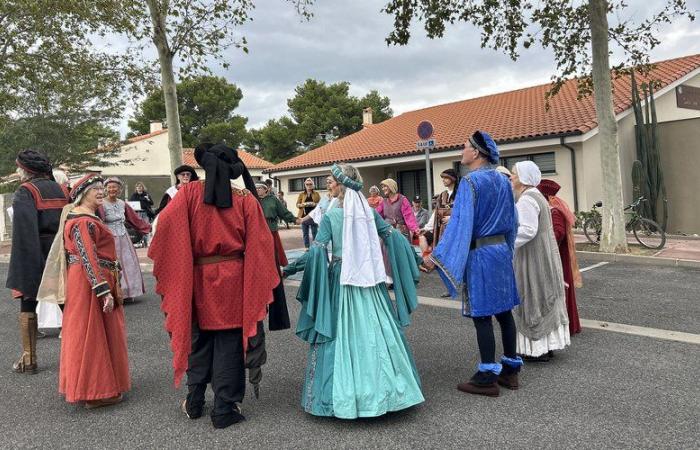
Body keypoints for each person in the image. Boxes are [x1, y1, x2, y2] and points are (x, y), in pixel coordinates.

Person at [148, 143, 279, 429]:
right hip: (233, 278)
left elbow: (162, 228)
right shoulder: (244, 198)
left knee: (200, 339)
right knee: (230, 342)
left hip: (197, 277)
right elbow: (261, 245)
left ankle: (194, 402)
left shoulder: (187, 194)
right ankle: (225, 407)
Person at [283, 163, 424, 418]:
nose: (329, 185)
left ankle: (343, 398)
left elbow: (316, 252)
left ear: (341, 184)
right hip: (370, 285)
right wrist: (416, 260)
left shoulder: (333, 217)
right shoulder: (370, 214)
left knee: (340, 336)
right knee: (377, 333)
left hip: (341, 282)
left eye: (332, 181)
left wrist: (288, 270)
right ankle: (388, 393)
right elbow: (395, 238)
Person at [423, 131, 522, 397]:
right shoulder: (503, 179)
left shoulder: (470, 183)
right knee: (504, 311)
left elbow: (459, 225)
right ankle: (511, 370)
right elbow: (513, 221)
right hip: (501, 251)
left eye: (464, 147)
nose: (461, 152)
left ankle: (487, 376)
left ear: (477, 152)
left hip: (480, 254)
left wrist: (436, 257)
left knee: (482, 314)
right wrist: (507, 249)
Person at [58, 173, 131, 408]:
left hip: (92, 279)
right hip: (89, 283)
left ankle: (96, 386)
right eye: (95, 189)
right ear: (82, 195)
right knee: (91, 334)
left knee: (97, 333)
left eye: (102, 188)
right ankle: (96, 392)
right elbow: (87, 256)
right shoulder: (81, 220)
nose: (101, 192)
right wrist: (103, 290)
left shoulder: (88, 217)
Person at [6, 150, 68, 373]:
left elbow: (24, 232)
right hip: (61, 252)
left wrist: (26, 269)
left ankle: (29, 359)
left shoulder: (26, 191)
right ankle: (75, 357)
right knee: (66, 304)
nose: (17, 172)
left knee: (28, 301)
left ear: (26, 170)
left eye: (18, 168)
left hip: (36, 252)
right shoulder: (60, 189)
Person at [510, 161, 570, 361]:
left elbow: (527, 230)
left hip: (532, 255)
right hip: (541, 252)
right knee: (543, 292)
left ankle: (537, 348)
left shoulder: (527, 199)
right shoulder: (536, 196)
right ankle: (547, 346)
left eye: (514, 175)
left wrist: (507, 244)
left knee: (533, 294)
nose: (511, 178)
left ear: (524, 178)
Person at [538, 179, 582, 336]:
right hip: (556, 254)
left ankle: (566, 324)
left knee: (561, 289)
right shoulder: (551, 209)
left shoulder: (554, 211)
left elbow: (558, 233)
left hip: (559, 257)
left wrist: (543, 241)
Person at [99, 177, 151, 302]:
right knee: (113, 265)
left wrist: (149, 228)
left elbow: (135, 219)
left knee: (128, 264)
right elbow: (98, 222)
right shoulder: (101, 205)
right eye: (110, 187)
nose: (112, 189)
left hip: (124, 238)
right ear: (105, 189)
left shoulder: (123, 204)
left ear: (119, 190)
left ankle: (128, 292)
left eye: (115, 187)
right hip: (109, 239)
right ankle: (114, 292)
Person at [418, 169, 460, 260]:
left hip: (455, 229)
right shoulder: (442, 195)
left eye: (446, 178)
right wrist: (426, 228)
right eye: (442, 178)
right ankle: (427, 261)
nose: (443, 180)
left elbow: (465, 211)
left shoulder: (461, 194)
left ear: (453, 179)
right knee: (423, 237)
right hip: (440, 229)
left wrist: (451, 218)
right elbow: (435, 214)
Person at [296, 177, 321, 248]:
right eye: (307, 184)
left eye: (310, 184)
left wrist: (314, 204)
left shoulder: (316, 194)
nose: (309, 185)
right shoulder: (301, 194)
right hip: (304, 216)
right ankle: (306, 247)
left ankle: (315, 247)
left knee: (314, 233)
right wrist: (302, 205)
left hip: (313, 216)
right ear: (305, 185)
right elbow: (297, 204)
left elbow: (320, 204)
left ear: (313, 185)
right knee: (305, 233)